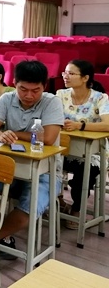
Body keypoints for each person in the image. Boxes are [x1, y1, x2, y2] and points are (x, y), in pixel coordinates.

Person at [0, 60, 63, 258]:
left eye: (35, 90)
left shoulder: (52, 102)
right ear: (14, 83)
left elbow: (48, 138)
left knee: (30, 206)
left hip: (46, 171)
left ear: (44, 86)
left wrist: (14, 134)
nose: (29, 96)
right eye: (23, 89)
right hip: (11, 166)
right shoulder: (7, 98)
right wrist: (1, 135)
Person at [56, 60, 109, 229]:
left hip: (91, 152)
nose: (66, 76)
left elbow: (107, 124)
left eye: (71, 73)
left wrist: (81, 126)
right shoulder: (60, 95)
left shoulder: (100, 98)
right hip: (63, 149)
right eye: (65, 73)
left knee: (85, 171)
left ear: (85, 78)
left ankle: (77, 209)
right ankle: (57, 200)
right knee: (48, 165)